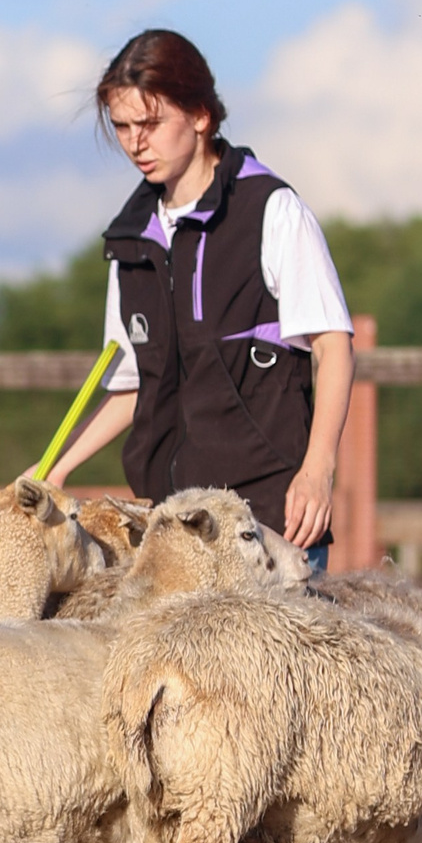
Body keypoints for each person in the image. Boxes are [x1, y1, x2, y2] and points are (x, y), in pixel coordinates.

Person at [44, 29, 353, 569]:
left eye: (151, 123)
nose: (135, 142)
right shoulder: (129, 241)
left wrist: (318, 470)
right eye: (122, 126)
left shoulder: (271, 211)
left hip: (271, 534)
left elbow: (333, 346)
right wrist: (54, 472)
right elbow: (130, 387)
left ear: (201, 115)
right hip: (171, 539)